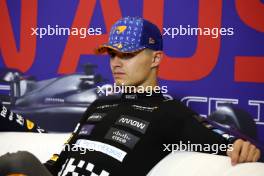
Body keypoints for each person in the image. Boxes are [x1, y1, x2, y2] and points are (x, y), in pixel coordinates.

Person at [0, 16, 261, 176]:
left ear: (156, 58)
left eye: (128, 54)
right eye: (112, 54)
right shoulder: (99, 104)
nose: (116, 63)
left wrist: (242, 147)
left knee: (17, 160)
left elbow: (222, 142)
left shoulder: (171, 112)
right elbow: (60, 160)